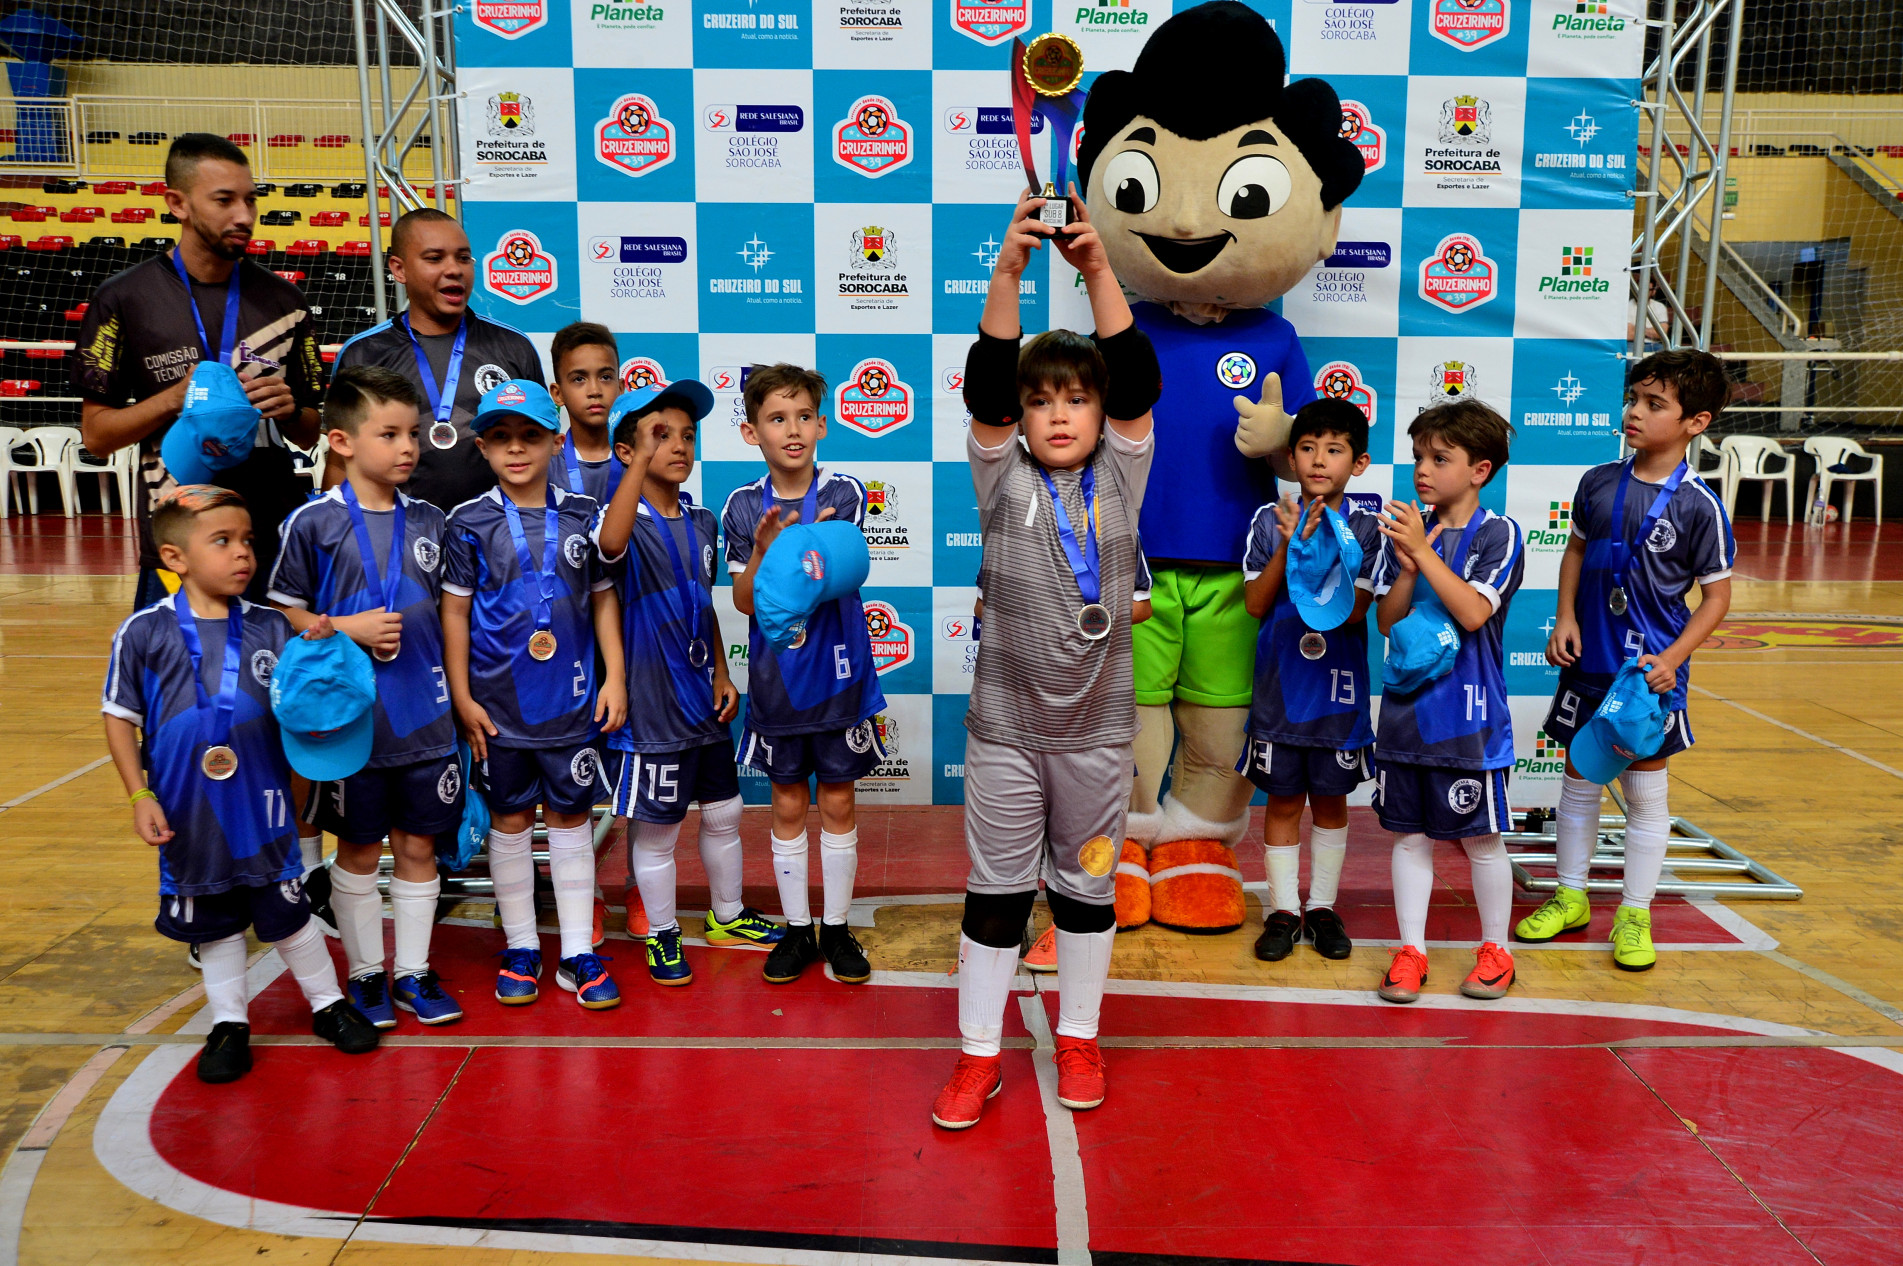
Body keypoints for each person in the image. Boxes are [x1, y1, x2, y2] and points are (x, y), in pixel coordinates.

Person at [935, 187, 1159, 1129]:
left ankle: (1077, 1035)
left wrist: (1099, 268)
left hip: (1098, 735)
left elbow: (1137, 378)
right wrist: (1009, 271)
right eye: (1041, 402)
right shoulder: (999, 474)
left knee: (1085, 893)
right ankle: (977, 1056)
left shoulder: (1122, 466)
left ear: (1100, 415)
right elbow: (986, 381)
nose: (1058, 414)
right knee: (994, 901)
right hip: (1007, 735)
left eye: (1076, 398)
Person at [102, 486, 380, 1083]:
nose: (242, 555)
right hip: (187, 810)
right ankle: (229, 1023)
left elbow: (305, 714)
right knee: (214, 916)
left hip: (264, 804)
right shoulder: (143, 633)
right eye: (222, 542)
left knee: (289, 910)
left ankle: (328, 1006)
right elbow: (119, 718)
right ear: (174, 558)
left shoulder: (273, 629)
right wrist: (139, 794)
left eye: (248, 541)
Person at [1518, 349, 1735, 970]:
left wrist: (1672, 658)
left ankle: (1635, 913)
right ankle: (1570, 898)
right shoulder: (1597, 482)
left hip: (1647, 678)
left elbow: (1717, 596)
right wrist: (1564, 617)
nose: (1633, 412)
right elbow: (1574, 554)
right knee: (1579, 780)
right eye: (1634, 399)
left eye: (1653, 404)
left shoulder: (1700, 506)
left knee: (1645, 796)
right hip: (1589, 664)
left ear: (1696, 422)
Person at [267, 367, 465, 1027]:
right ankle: (365, 974)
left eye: (413, 433)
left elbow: (452, 616)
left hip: (426, 720)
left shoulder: (434, 522)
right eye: (389, 434)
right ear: (343, 442)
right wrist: (345, 628)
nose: (408, 446)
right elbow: (284, 611)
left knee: (417, 847)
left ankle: (412, 970)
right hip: (350, 726)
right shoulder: (312, 523)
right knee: (357, 849)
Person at [75, 133, 324, 611]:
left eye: (250, 200)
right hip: (179, 542)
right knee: (176, 683)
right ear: (177, 203)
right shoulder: (124, 299)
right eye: (224, 200)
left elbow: (312, 433)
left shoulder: (285, 302)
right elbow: (96, 437)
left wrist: (291, 411)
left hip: (268, 539)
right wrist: (175, 398)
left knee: (273, 683)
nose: (244, 216)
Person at [441, 380, 629, 1009]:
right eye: (500, 437)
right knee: (511, 820)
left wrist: (616, 676)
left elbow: (604, 599)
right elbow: (457, 616)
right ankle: (522, 945)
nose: (515, 449)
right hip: (498, 712)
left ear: (556, 440)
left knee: (571, 822)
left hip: (571, 704)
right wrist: (462, 697)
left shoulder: (582, 515)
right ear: (482, 446)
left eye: (529, 436)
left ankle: (578, 951)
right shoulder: (467, 523)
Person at [596, 380, 786, 987]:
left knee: (726, 809)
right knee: (657, 828)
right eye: (658, 436)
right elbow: (610, 544)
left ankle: (726, 916)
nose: (677, 445)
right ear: (626, 452)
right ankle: (661, 932)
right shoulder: (618, 515)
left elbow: (704, 607)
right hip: (651, 703)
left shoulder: (703, 520)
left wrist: (724, 672)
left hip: (701, 697)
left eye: (685, 434)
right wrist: (636, 466)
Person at [722, 363, 883, 985]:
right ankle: (796, 931)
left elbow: (835, 572)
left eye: (803, 417)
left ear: (822, 424)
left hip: (840, 679)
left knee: (839, 800)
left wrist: (782, 572)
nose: (792, 430)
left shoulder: (843, 490)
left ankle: (837, 929)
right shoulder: (742, 507)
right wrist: (765, 551)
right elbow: (744, 600)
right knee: (787, 803)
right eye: (775, 419)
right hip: (777, 684)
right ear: (751, 432)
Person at [1370, 400, 1523, 1004]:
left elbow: (1472, 611)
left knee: (1482, 838)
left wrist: (1424, 554)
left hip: (1471, 721)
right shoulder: (1410, 532)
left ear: (1480, 469)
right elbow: (1386, 623)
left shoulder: (1499, 533)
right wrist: (1406, 567)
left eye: (1440, 458)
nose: (1423, 471)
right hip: (1407, 716)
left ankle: (1496, 950)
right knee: (1410, 837)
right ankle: (1412, 950)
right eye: (1417, 458)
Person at [1238, 398, 1381, 963]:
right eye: (1307, 446)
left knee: (1330, 801)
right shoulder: (1267, 519)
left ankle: (1320, 907)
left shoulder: (1368, 529)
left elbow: (1350, 613)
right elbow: (1255, 603)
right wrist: (1290, 547)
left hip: (1338, 693)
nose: (1319, 459)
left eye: (1334, 449)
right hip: (1280, 687)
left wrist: (1315, 551)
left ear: (1359, 463)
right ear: (1290, 456)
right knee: (1281, 801)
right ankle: (1280, 909)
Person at [331, 208, 543, 514]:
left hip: (499, 537)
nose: (454, 269)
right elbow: (341, 463)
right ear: (399, 269)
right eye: (434, 258)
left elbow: (541, 447)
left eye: (463, 257)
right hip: (399, 539)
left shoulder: (514, 347)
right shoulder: (363, 353)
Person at [548, 322, 627, 505]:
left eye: (605, 377)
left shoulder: (641, 459)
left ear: (621, 388)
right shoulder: (544, 464)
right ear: (557, 394)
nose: (594, 390)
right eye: (579, 379)